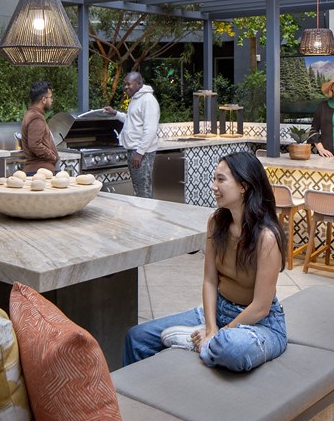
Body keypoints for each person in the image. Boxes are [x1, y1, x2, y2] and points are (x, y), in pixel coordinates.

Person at [122, 151, 287, 372]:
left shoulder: (266, 238)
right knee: (137, 337)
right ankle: (205, 342)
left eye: (221, 179)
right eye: (214, 179)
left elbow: (260, 307)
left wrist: (221, 333)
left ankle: (205, 345)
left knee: (233, 349)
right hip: (219, 311)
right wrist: (211, 329)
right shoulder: (216, 222)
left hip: (260, 325)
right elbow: (210, 281)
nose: (213, 186)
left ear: (243, 186)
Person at [103, 71, 160, 198]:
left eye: (129, 84)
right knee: (138, 188)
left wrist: (139, 153)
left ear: (139, 84)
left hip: (141, 153)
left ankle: (145, 216)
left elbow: (150, 130)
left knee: (143, 190)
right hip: (135, 151)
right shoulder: (135, 99)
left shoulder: (148, 101)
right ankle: (140, 215)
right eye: (125, 84)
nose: (126, 87)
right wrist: (115, 113)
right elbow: (131, 120)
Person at [20, 81, 59, 174]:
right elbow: (35, 145)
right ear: (43, 100)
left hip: (38, 170)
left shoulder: (31, 114)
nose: (52, 100)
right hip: (40, 172)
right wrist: (53, 156)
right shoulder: (36, 117)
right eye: (51, 97)